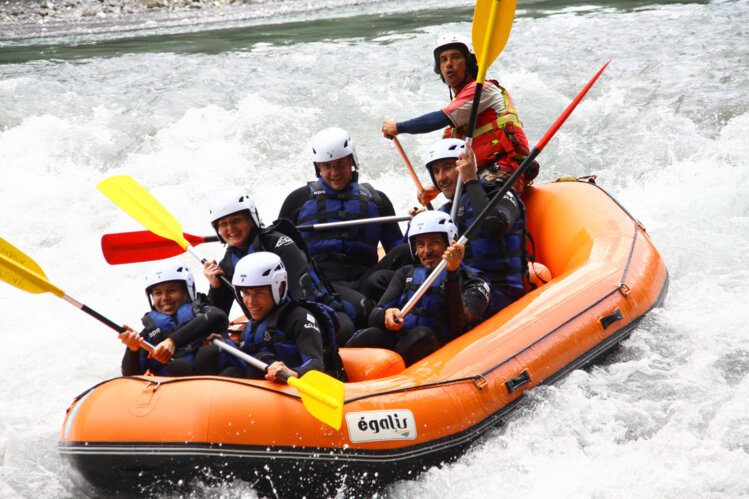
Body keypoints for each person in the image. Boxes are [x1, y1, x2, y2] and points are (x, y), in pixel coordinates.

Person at [381, 33, 537, 196]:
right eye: (443, 60)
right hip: (477, 176)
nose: (449, 64)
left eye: (455, 57)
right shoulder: (457, 118)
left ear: (469, 63)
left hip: (505, 168)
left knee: (474, 201)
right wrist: (436, 190)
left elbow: (438, 119)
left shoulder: (482, 90)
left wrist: (399, 127)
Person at [278, 126, 406, 325]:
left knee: (406, 251)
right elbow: (276, 250)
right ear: (318, 166)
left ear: (352, 161)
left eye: (340, 164)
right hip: (321, 283)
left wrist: (416, 229)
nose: (334, 172)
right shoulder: (298, 200)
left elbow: (397, 249)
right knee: (362, 308)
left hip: (365, 278)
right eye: (327, 166)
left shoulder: (377, 200)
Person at [201, 190, 355, 341]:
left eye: (236, 221)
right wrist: (216, 287)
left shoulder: (280, 244)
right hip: (270, 326)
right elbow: (218, 317)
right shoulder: (228, 264)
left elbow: (302, 294)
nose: (231, 229)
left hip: (317, 316)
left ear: (251, 219)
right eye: (223, 224)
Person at [345, 211, 490, 366]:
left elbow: (459, 322)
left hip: (440, 353)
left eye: (434, 242)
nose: (426, 251)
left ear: (451, 243)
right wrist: (385, 315)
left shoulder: (474, 281)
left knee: (422, 336)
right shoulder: (406, 273)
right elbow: (375, 314)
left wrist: (452, 273)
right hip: (402, 346)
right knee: (372, 334)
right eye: (421, 244)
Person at [426, 137, 527, 315]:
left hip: (499, 293)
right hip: (462, 290)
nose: (441, 178)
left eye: (448, 168)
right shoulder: (445, 212)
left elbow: (495, 227)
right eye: (436, 171)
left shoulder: (499, 193)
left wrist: (471, 180)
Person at [219, 252, 345, 381]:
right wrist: (224, 342)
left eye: (259, 293)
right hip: (266, 389)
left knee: (262, 359)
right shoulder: (249, 328)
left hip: (298, 389)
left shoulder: (299, 317)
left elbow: (316, 361)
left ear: (278, 288)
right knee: (228, 369)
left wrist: (294, 373)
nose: (251, 302)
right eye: (245, 293)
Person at [118, 262, 235, 376]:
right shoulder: (149, 335)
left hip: (220, 383)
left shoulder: (202, 312)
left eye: (171, 290)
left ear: (187, 291)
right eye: (157, 293)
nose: (164, 298)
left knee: (208, 353)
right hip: (178, 391)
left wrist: (172, 342)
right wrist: (132, 349)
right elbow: (130, 376)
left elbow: (218, 316)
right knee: (178, 366)